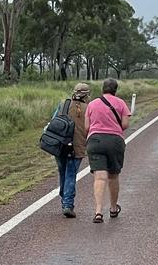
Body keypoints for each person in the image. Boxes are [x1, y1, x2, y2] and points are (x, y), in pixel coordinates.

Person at [84, 78, 131, 223]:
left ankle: (98, 211)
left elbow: (87, 127)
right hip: (114, 141)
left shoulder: (92, 104)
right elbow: (125, 124)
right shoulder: (121, 103)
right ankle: (113, 208)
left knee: (99, 177)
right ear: (115, 90)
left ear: (102, 89)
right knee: (113, 176)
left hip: (95, 140)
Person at [55, 82, 91, 217]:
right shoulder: (89, 108)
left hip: (59, 145)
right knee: (70, 174)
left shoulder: (63, 104)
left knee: (63, 172)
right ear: (86, 95)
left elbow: (54, 121)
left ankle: (64, 196)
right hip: (77, 147)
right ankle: (67, 204)